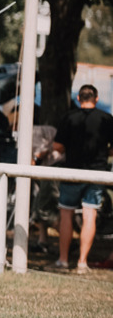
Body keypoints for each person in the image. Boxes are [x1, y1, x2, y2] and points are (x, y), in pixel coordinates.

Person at [52, 85, 113, 272]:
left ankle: (62, 260)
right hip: (97, 173)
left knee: (66, 214)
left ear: (78, 98)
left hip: (72, 172)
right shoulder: (107, 119)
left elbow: (58, 147)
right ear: (96, 98)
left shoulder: (69, 118)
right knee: (90, 215)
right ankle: (82, 262)